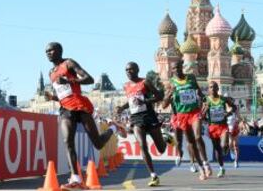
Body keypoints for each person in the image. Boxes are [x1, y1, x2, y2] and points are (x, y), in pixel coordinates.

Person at [44, 42, 126, 190]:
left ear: (59, 51)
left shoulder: (68, 63)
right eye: (46, 51)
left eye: (51, 50)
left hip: (80, 106)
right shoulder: (51, 73)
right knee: (67, 141)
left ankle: (113, 128)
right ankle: (76, 179)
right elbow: (63, 94)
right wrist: (52, 97)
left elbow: (89, 79)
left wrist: (69, 80)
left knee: (98, 143)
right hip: (65, 109)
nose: (48, 53)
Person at [115, 62, 173, 187]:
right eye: (126, 70)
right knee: (143, 145)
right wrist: (122, 107)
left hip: (149, 116)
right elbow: (132, 102)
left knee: (161, 149)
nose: (128, 72)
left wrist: (146, 100)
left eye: (131, 69)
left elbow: (159, 96)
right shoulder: (126, 86)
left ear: (137, 70)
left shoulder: (145, 82)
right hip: (136, 119)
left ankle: (165, 138)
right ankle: (153, 176)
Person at [163, 60, 212, 180]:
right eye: (174, 68)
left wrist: (204, 99)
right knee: (190, 143)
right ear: (172, 70)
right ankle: (200, 168)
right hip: (181, 115)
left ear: (182, 67)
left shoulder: (191, 77)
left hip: (194, 113)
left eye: (179, 67)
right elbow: (164, 104)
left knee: (198, 137)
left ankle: (206, 163)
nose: (177, 70)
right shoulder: (171, 83)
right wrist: (169, 95)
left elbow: (199, 93)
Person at [202, 81, 236, 178]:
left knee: (223, 145)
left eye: (214, 87)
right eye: (210, 87)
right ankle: (221, 168)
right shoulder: (206, 100)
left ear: (217, 89)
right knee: (217, 151)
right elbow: (201, 115)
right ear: (208, 89)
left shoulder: (223, 99)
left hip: (222, 126)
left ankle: (226, 146)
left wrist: (228, 113)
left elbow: (234, 107)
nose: (212, 89)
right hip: (212, 127)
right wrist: (204, 111)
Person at [226, 96, 240, 168]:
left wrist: (238, 120)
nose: (229, 101)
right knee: (230, 144)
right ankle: (231, 151)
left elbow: (239, 117)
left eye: (230, 100)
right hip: (228, 128)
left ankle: (236, 161)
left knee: (236, 145)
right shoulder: (223, 108)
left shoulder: (235, 108)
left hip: (234, 127)